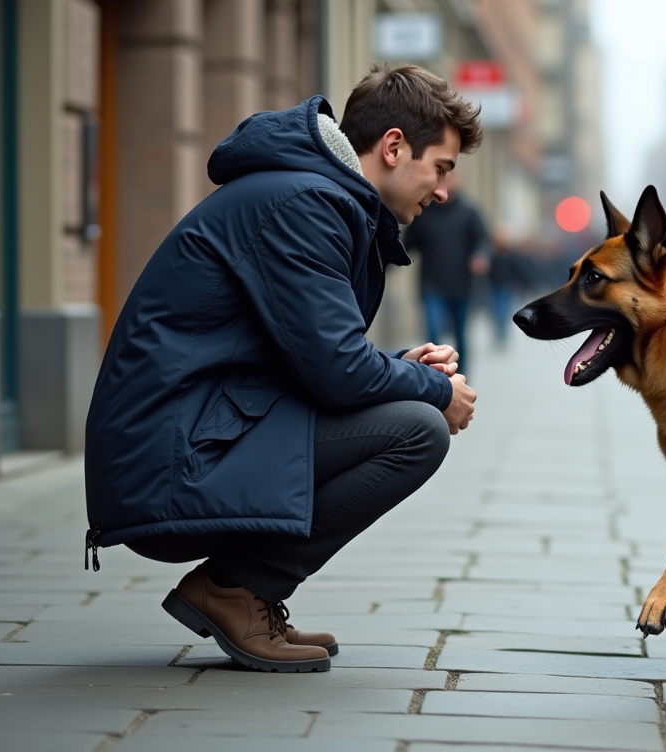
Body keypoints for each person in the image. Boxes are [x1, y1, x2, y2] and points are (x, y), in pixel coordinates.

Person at [84, 64, 482, 673]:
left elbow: (311, 357)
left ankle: (246, 590)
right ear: (395, 146)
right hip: (170, 461)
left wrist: (398, 368)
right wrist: (432, 388)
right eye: (442, 168)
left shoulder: (314, 196)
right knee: (417, 431)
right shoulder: (306, 203)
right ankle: (236, 590)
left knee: (406, 413)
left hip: (197, 434)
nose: (444, 191)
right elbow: (336, 371)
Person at [402, 171, 489, 373]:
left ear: (459, 180)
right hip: (431, 284)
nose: (447, 182)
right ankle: (433, 375)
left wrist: (481, 255)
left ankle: (462, 377)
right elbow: (406, 244)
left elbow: (483, 240)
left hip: (461, 285)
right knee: (433, 332)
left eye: (451, 177)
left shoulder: (468, 212)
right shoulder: (423, 212)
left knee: (460, 335)